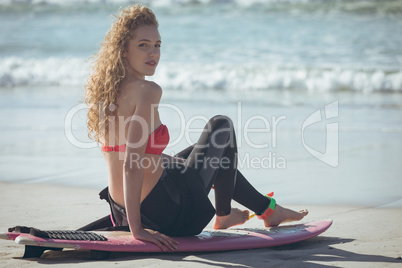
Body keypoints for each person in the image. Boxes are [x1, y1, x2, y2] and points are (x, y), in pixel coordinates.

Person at [84, 5, 308, 252]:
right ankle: (224, 215)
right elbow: (132, 164)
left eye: (157, 45)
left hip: (121, 211)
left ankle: (266, 210)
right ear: (124, 49)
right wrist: (138, 231)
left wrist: (130, 221)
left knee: (197, 154)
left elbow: (128, 157)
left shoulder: (108, 92)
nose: (153, 53)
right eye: (143, 45)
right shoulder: (147, 91)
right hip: (166, 212)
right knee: (221, 126)